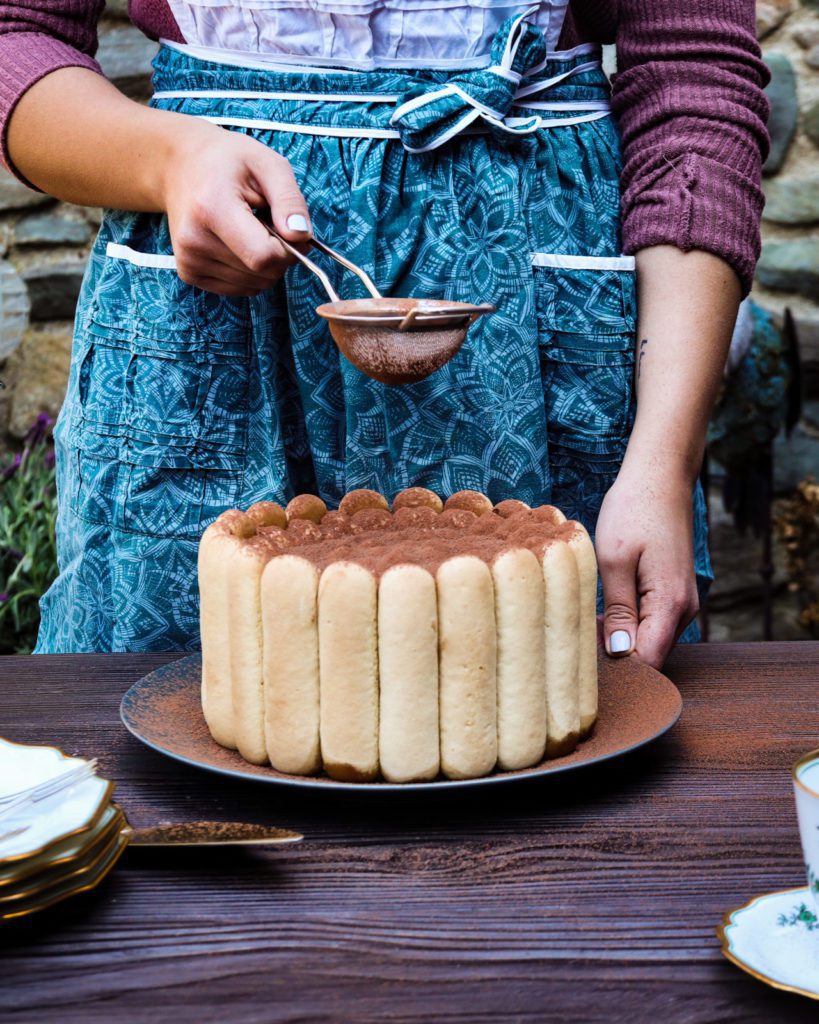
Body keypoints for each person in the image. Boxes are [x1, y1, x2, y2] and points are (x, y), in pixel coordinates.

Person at [0, 1, 768, 667]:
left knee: (543, 729)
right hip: (219, 319)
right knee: (181, 738)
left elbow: (690, 79)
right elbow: (18, 34)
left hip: (533, 321)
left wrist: (664, 461)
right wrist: (166, 161)